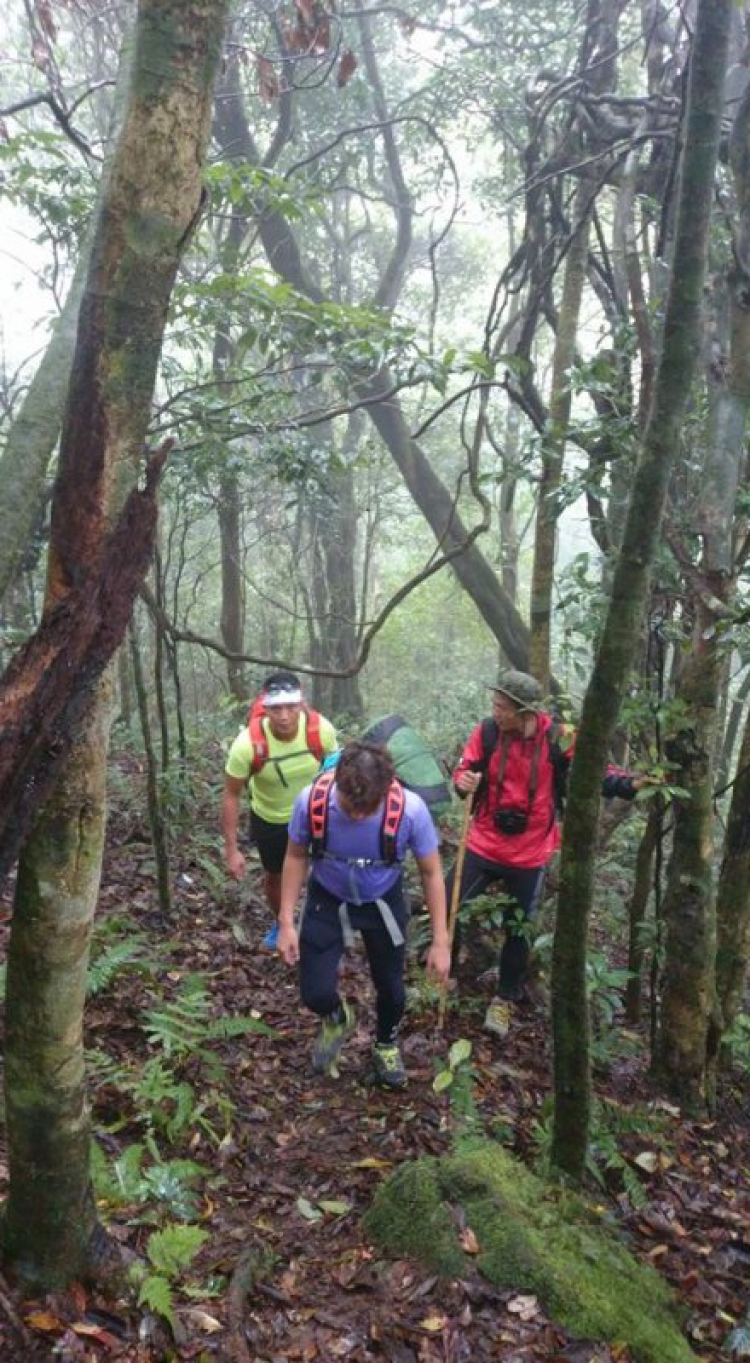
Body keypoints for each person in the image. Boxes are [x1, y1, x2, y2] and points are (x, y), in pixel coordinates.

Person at [449, 669, 645, 1039]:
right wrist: (463, 782)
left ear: (525, 712)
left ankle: (504, 1000)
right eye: (494, 704)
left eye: (502, 707)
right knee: (447, 904)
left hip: (530, 851)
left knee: (519, 928)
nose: (495, 712)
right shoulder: (487, 732)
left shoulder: (559, 737)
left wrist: (629, 784)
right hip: (483, 841)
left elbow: (596, 771)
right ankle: (444, 973)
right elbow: (466, 771)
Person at [277, 741, 450, 1089]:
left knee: (392, 988)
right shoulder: (312, 802)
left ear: (386, 791)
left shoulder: (410, 812)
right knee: (314, 992)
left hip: (382, 901)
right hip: (328, 895)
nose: (356, 815)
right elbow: (296, 857)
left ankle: (386, 1043)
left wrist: (441, 940)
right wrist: (285, 921)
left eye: (367, 809)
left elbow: (431, 873)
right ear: (338, 785)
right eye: (350, 805)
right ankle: (336, 1018)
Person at [222, 671, 337, 948]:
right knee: (275, 875)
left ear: (301, 704)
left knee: (329, 870)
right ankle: (281, 922)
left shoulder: (321, 730)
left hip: (317, 814)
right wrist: (232, 849)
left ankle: (325, 924)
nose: (284, 716)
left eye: (290, 707)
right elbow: (231, 795)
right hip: (272, 819)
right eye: (276, 708)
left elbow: (335, 772)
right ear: (265, 707)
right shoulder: (247, 745)